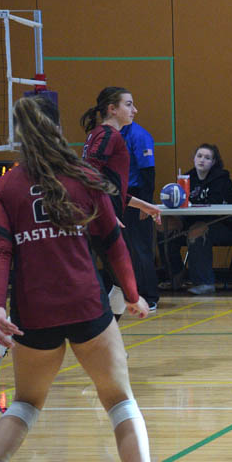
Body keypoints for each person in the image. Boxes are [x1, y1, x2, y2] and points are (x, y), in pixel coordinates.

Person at [0, 95, 182, 462]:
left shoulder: (2, 189)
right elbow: (113, 244)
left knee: (24, 404)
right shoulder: (84, 176)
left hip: (33, 312)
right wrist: (134, 295)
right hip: (86, 306)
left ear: (18, 135)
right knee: (119, 399)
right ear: (59, 128)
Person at [80, 87, 161, 310]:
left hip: (98, 216)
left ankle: (107, 339)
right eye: (128, 104)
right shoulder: (108, 135)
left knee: (118, 283)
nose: (134, 110)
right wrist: (105, 212)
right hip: (100, 219)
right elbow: (89, 176)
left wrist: (140, 203)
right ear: (112, 109)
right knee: (117, 282)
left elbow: (109, 186)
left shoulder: (98, 134)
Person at [161, 143, 232, 295]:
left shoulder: (222, 179)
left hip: (222, 224)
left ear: (213, 162)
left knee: (197, 230)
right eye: (199, 156)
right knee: (164, 226)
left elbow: (216, 206)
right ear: (194, 159)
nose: (202, 160)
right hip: (192, 221)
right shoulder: (187, 178)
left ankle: (204, 282)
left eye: (207, 158)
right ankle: (176, 275)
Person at [121, 119, 160, 312]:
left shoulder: (139, 135)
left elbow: (148, 172)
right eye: (128, 104)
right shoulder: (103, 135)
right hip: (113, 196)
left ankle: (149, 296)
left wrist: (145, 204)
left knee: (140, 248)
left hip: (135, 196)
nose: (134, 110)